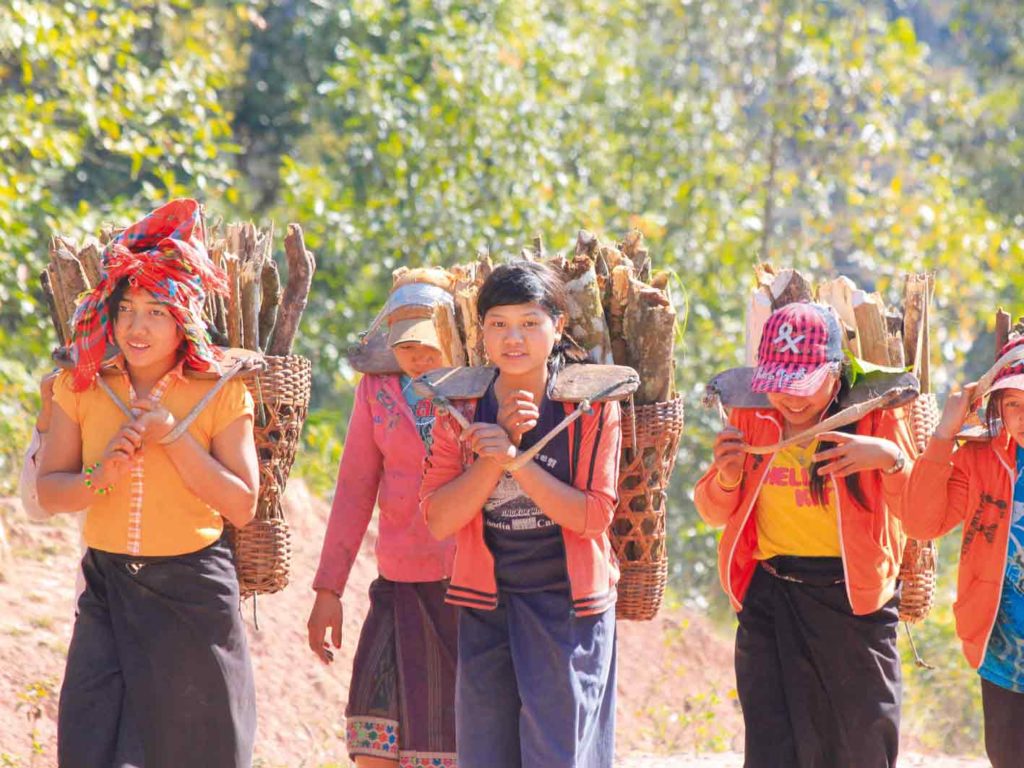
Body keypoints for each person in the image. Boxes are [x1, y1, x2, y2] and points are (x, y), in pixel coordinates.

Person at [37, 198, 260, 768]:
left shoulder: (221, 392)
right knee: (91, 746)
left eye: (156, 311)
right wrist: (99, 476)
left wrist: (173, 437)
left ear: (183, 316)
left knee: (198, 753)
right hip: (109, 590)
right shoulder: (83, 386)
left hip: (194, 593)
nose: (137, 327)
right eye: (127, 308)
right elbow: (50, 491)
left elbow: (242, 504)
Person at [694, 301, 914, 768]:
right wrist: (727, 476)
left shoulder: (876, 415)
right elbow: (714, 510)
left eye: (806, 388)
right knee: (774, 744)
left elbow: (920, 513)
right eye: (780, 388)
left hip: (855, 598)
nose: (792, 401)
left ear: (836, 375)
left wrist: (889, 458)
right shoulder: (750, 415)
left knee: (861, 745)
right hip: (771, 597)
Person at [420, 261, 622, 768]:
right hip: (487, 601)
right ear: (481, 330)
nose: (514, 338)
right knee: (486, 754)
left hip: (567, 603)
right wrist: (494, 457)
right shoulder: (460, 404)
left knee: (556, 753)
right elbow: (439, 519)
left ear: (558, 328)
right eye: (499, 323)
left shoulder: (591, 405)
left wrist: (517, 461)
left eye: (531, 322)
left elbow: (593, 516)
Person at [306, 282, 459, 767]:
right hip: (395, 587)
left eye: (427, 345)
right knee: (372, 744)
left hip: (464, 592)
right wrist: (328, 589)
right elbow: (354, 489)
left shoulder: (479, 391)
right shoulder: (377, 391)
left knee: (444, 749)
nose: (416, 357)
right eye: (405, 345)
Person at [901, 336, 1024, 767]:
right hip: (1004, 654)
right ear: (997, 409)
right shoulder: (981, 461)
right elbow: (920, 523)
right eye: (1013, 405)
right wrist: (944, 434)